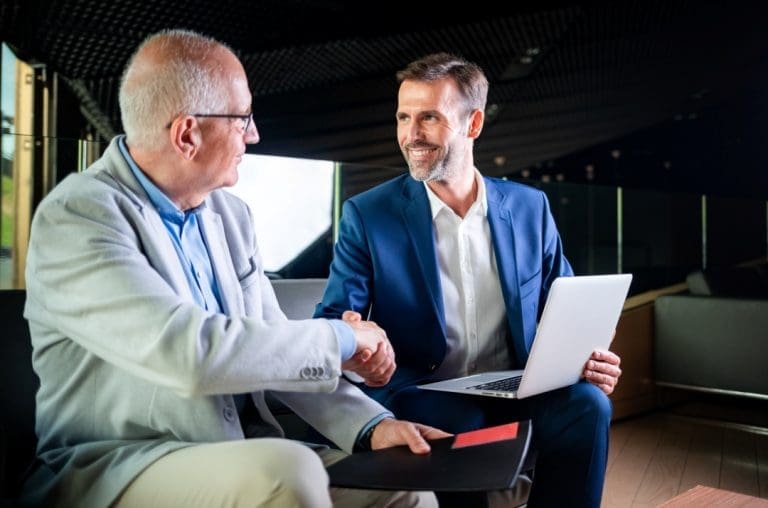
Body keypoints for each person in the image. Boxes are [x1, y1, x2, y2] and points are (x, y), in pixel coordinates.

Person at [21, 29, 449, 508]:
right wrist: (344, 338)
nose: (254, 134)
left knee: (406, 489)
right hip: (119, 466)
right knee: (287, 472)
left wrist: (372, 427)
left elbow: (268, 346)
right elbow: (188, 353)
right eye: (243, 118)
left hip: (240, 452)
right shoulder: (78, 217)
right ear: (188, 134)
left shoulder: (230, 215)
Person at [315, 52, 623, 507]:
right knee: (460, 422)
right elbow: (335, 319)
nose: (411, 135)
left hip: (518, 386)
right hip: (423, 390)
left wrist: (591, 358)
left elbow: (567, 307)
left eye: (429, 117)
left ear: (473, 123)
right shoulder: (368, 215)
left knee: (589, 405)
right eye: (403, 117)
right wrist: (355, 345)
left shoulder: (529, 207)